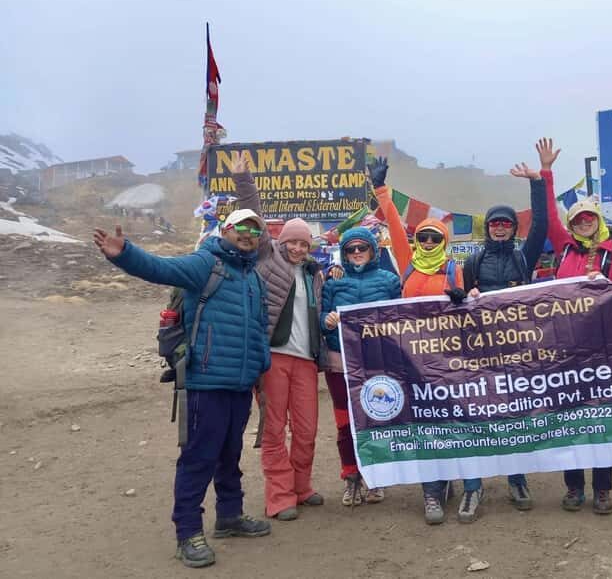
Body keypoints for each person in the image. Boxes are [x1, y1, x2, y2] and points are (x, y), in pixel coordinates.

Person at [93, 209, 272, 569]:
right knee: (198, 457)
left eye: (255, 229)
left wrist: (260, 368)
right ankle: (187, 532)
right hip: (206, 381)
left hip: (239, 384)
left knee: (229, 453)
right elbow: (161, 268)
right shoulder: (206, 263)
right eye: (241, 227)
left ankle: (229, 516)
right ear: (226, 230)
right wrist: (125, 253)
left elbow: (258, 329)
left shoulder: (253, 278)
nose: (248, 234)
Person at [371, 157, 480, 525]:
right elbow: (394, 225)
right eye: (425, 236)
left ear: (445, 241)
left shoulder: (453, 267)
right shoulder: (407, 262)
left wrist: (460, 297)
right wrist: (381, 190)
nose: (429, 241)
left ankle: (471, 487)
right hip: (413, 358)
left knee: (459, 420)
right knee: (426, 424)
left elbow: (464, 309)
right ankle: (433, 492)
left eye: (436, 237)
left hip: (450, 358)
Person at [230, 154, 326, 522]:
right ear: (282, 242)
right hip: (272, 358)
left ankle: (302, 487)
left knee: (306, 430)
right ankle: (280, 496)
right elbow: (252, 213)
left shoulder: (314, 275)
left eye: (304, 244)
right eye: (293, 242)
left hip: (305, 361)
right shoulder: (268, 259)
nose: (298, 248)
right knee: (274, 429)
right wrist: (244, 181)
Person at [536, 137, 612, 515]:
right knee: (570, 420)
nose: (583, 222)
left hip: (600, 350)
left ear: (598, 220)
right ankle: (574, 488)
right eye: (578, 219)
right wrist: (546, 173)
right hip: (564, 349)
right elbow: (548, 217)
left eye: (589, 217)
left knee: (600, 419)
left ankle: (602, 490)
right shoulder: (565, 248)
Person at [461, 160, 548, 511]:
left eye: (506, 224)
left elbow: (541, 224)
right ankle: (472, 486)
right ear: (488, 228)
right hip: (481, 352)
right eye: (495, 223)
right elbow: (465, 307)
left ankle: (517, 480)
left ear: (513, 229)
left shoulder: (524, 257)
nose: (499, 228)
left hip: (517, 351)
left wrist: (537, 182)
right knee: (474, 414)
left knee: (515, 413)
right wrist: (467, 296)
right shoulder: (473, 261)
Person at [320, 227, 402, 506]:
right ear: (343, 253)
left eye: (361, 248)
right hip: (340, 362)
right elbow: (320, 317)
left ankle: (376, 479)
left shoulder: (389, 280)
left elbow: (400, 317)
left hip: (376, 361)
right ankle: (351, 477)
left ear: (373, 250)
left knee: (376, 420)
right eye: (350, 249)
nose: (356, 253)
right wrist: (327, 322)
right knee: (345, 424)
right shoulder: (332, 283)